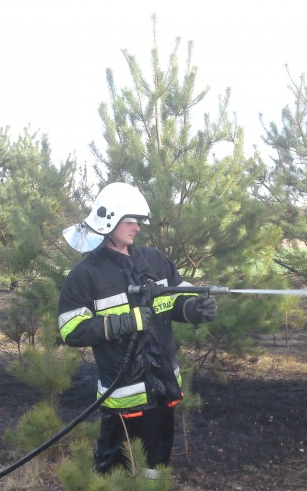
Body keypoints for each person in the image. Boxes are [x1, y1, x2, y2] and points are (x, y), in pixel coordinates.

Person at [57, 182, 217, 473]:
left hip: (163, 386)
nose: (137, 227)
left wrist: (194, 308)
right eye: (130, 220)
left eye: (139, 221)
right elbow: (71, 330)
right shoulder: (85, 275)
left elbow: (176, 300)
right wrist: (126, 322)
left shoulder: (154, 261)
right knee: (116, 469)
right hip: (123, 393)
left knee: (156, 464)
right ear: (109, 220)